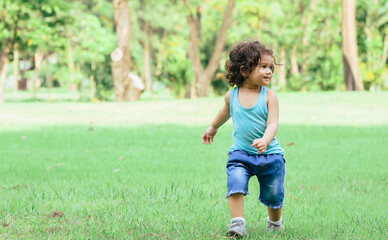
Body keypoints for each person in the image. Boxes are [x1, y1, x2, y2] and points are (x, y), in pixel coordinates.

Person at [201, 41, 286, 237]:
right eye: (263, 66)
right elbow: (225, 112)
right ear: (245, 70)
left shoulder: (269, 97)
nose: (269, 71)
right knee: (235, 183)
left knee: (273, 193)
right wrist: (213, 127)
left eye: (270, 67)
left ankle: (274, 223)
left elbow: (273, 123)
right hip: (241, 153)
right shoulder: (232, 95)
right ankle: (237, 223)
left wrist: (265, 140)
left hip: (269, 155)